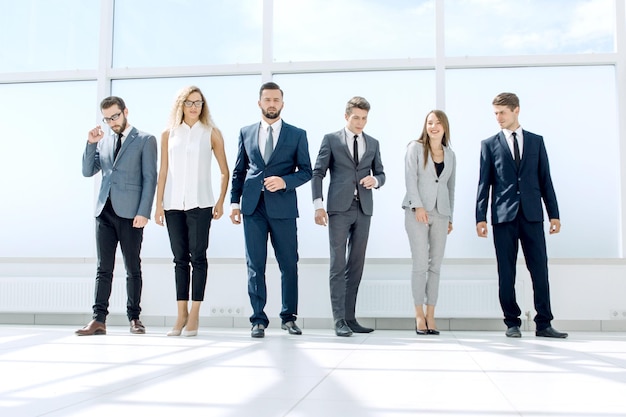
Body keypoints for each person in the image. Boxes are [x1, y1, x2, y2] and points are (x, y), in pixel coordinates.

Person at [476, 92, 567, 339]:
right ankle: (512, 323)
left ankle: (544, 324)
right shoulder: (489, 144)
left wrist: (554, 214)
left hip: (532, 215)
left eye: (502, 113)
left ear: (516, 110)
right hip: (503, 216)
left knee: (539, 269)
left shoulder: (537, 142)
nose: (498, 118)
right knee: (506, 271)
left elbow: (545, 180)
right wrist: (480, 217)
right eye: (495, 113)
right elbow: (484, 183)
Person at [229, 82, 312, 338]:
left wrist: (285, 181)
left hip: (283, 208)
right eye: (267, 100)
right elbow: (239, 170)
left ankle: (289, 317)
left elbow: (307, 171)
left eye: (276, 100)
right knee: (255, 265)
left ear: (282, 104)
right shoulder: (245, 132)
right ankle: (258, 320)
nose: (272, 104)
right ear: (260, 103)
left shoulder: (297, 134)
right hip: (253, 208)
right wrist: (234, 202)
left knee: (289, 264)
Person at [77, 96, 158, 336]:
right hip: (105, 212)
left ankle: (134, 318)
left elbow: (149, 178)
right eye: (107, 118)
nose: (112, 122)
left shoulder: (145, 140)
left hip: (131, 214)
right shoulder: (103, 141)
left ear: (125, 112)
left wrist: (144, 212)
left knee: (133, 267)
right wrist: (91, 143)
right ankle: (98, 319)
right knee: (104, 268)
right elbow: (87, 171)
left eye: (116, 116)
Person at [154, 86, 229, 337]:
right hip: (173, 204)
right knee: (179, 260)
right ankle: (181, 314)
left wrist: (219, 201)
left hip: (202, 204)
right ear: (180, 105)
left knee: (198, 258)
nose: (194, 107)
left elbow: (224, 170)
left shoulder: (211, 133)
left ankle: (195, 314)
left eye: (198, 102)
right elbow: (163, 171)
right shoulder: (168, 134)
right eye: (189, 102)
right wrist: (158, 205)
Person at [312, 96, 386, 337]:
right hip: (338, 209)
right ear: (346, 116)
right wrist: (318, 205)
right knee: (338, 263)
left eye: (364, 118)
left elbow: (382, 174)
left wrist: (375, 180)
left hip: (364, 209)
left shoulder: (373, 143)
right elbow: (318, 173)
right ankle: (338, 320)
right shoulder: (331, 140)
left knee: (356, 264)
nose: (360, 123)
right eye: (356, 118)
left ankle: (350, 317)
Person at [402, 110, 456, 336]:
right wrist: (418, 206)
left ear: (445, 127)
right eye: (430, 122)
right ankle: (418, 314)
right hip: (417, 212)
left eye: (438, 123)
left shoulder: (450, 154)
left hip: (441, 213)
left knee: (436, 266)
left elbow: (451, 186)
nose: (433, 126)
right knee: (421, 264)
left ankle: (431, 314)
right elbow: (410, 178)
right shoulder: (415, 148)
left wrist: (450, 216)